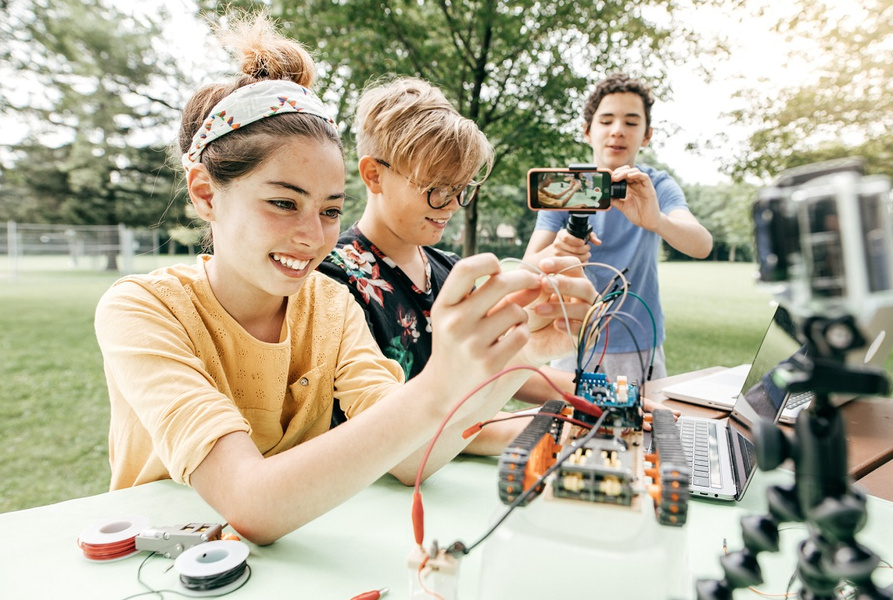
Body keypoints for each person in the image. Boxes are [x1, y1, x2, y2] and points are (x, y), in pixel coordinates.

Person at [93, 13, 595, 546]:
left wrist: (514, 354)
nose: (313, 236)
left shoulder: (330, 303)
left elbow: (411, 458)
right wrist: (443, 382)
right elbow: (250, 503)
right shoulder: (142, 309)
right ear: (204, 192)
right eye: (284, 202)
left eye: (331, 211)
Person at [318, 76, 576, 402]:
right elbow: (398, 422)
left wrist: (606, 398)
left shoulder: (449, 270)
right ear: (374, 175)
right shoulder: (333, 281)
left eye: (461, 189)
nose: (453, 205)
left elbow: (495, 372)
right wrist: (561, 426)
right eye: (437, 189)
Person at [523, 73, 713, 386]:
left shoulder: (656, 186)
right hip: (572, 337)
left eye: (631, 122)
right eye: (606, 120)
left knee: (643, 430)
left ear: (647, 135)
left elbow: (702, 244)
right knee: (570, 428)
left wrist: (657, 220)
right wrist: (558, 249)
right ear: (587, 131)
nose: (617, 131)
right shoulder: (563, 187)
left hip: (638, 342)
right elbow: (528, 265)